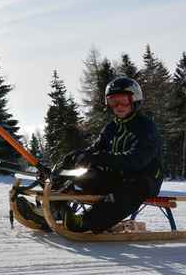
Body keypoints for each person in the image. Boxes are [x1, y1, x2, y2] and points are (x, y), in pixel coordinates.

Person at [61, 76, 164, 233]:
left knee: (133, 188)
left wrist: (100, 157)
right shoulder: (111, 127)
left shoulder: (146, 127)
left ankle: (86, 221)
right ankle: (53, 209)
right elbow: (95, 149)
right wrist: (79, 156)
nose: (118, 106)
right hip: (117, 177)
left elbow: (136, 160)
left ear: (134, 100)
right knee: (80, 174)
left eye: (123, 101)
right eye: (113, 101)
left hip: (144, 179)